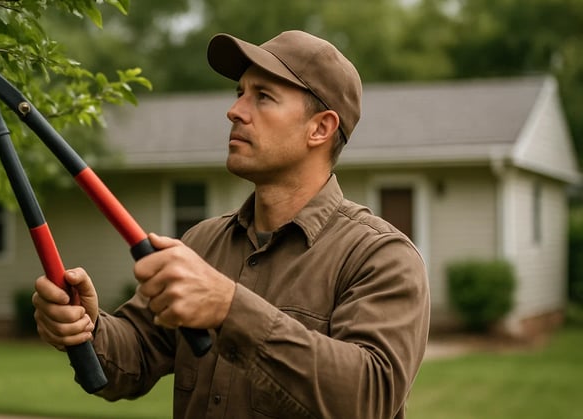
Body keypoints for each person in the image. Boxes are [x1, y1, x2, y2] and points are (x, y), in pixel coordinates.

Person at [33, 30, 430, 418]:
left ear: (321, 128)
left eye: (263, 96)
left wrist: (229, 308)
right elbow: (135, 353)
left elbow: (371, 397)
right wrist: (85, 328)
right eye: (240, 92)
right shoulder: (202, 243)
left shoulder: (381, 257)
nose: (236, 110)